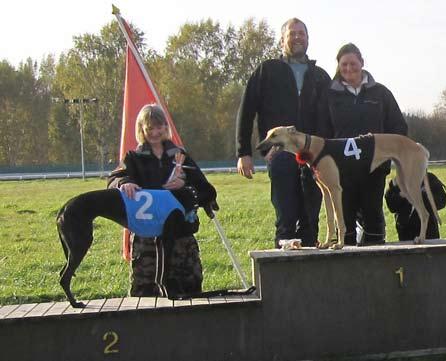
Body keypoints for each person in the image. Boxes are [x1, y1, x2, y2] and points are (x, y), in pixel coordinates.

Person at [236, 17, 331, 248]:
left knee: (310, 216)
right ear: (282, 40)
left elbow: (332, 118)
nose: (298, 37)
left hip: (313, 154)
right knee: (286, 213)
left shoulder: (320, 76)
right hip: (279, 153)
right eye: (292, 33)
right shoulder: (266, 71)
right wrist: (243, 152)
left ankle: (311, 260)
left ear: (308, 39)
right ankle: (284, 262)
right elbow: (246, 110)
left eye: (302, 34)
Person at [108, 104, 216, 297]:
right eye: (149, 128)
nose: (155, 133)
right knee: (145, 291)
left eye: (159, 127)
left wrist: (184, 186)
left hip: (181, 233)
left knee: (190, 286)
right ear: (141, 129)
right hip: (147, 236)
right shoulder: (133, 158)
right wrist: (124, 182)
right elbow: (113, 180)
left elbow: (205, 189)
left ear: (166, 127)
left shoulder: (181, 155)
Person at [317, 42, 408, 246]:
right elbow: (322, 133)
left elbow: (398, 126)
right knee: (345, 217)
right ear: (338, 66)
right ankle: (346, 263)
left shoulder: (381, 93)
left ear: (362, 63)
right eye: (344, 64)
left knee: (373, 215)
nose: (349, 69)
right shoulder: (329, 95)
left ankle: (375, 260)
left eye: (353, 63)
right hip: (341, 169)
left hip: (374, 166)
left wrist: (391, 154)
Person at [385, 172, 446, 241]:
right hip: (405, 231)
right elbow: (392, 207)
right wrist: (400, 195)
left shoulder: (429, 178)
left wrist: (424, 195)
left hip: (429, 231)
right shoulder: (397, 181)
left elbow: (443, 201)